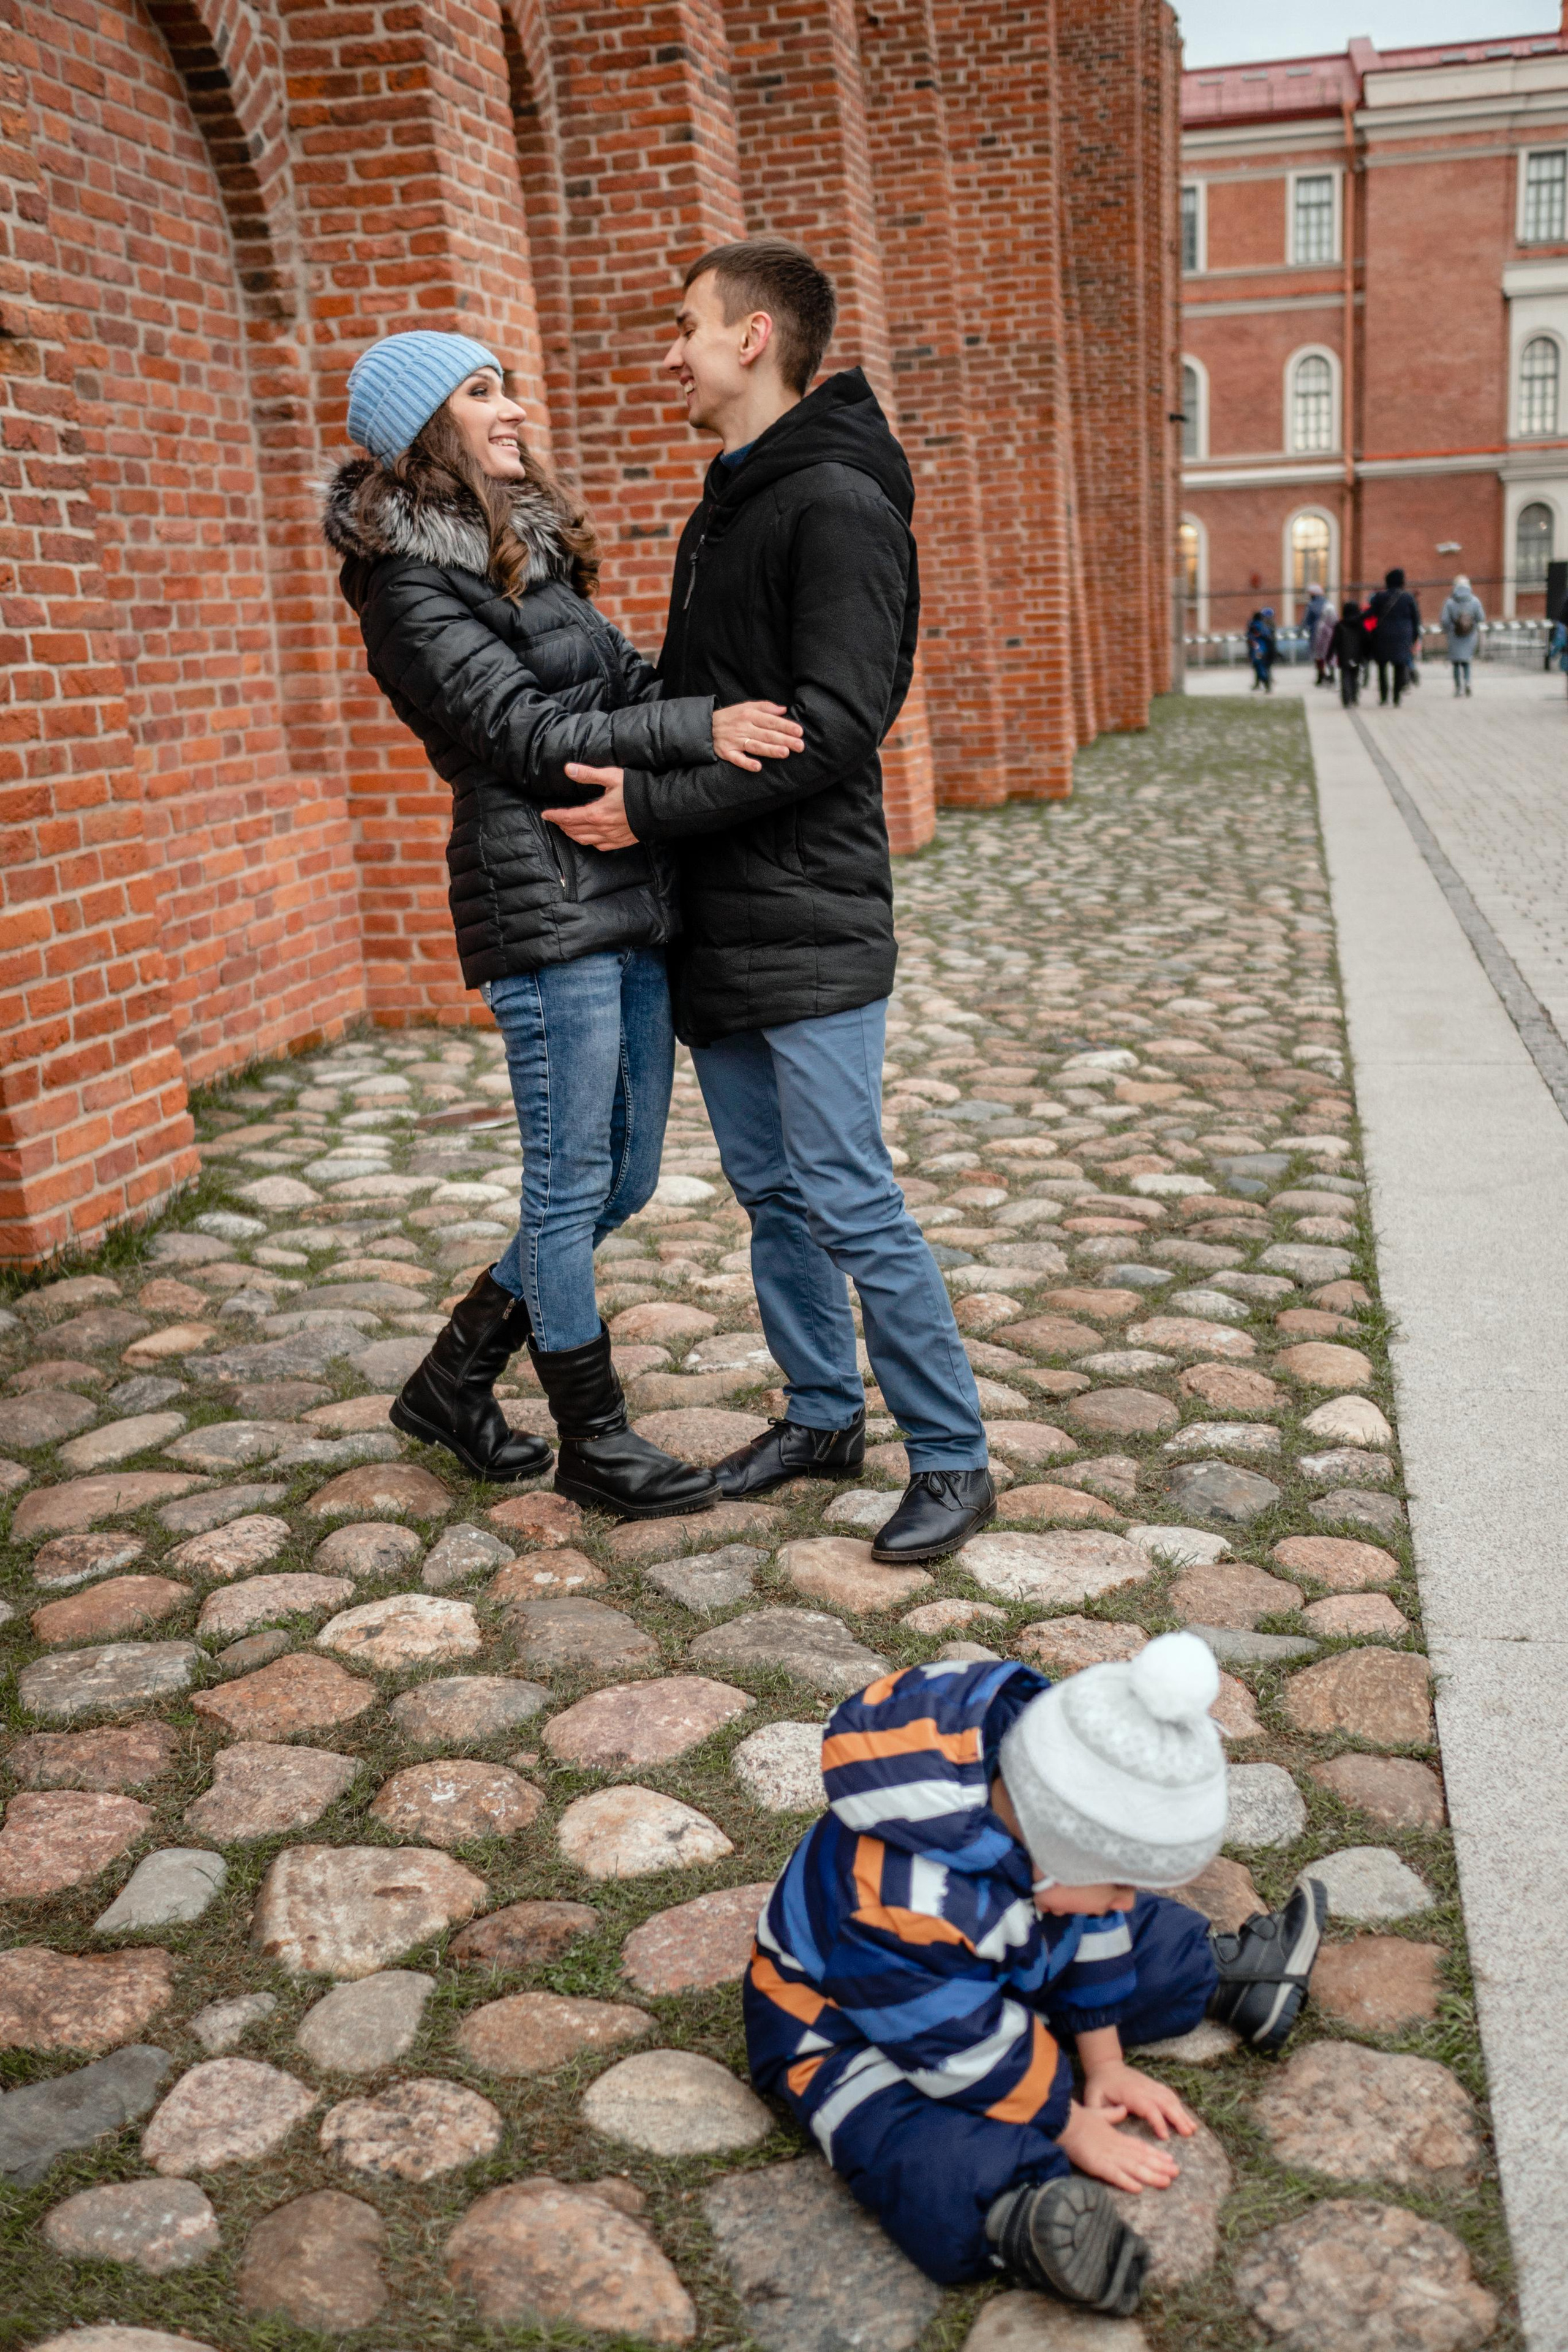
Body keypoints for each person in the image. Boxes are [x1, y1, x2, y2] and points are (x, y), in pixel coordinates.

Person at [544, 238, 992, 1566]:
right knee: (771, 1196)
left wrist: (645, 810)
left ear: (753, 338)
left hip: (809, 916)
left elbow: (839, 725)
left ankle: (954, 1453)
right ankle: (816, 1414)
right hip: (720, 917)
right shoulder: (730, 498)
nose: (665, 354)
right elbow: (710, 704)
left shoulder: (837, 500)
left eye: (683, 327)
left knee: (849, 1196)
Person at [325, 328, 804, 1516]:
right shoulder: (403, 582)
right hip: (539, 906)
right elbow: (526, 738)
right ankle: (596, 1443)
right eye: (483, 393)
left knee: (622, 1181)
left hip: (623, 890)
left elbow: (624, 683)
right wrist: (693, 732)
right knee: (566, 1182)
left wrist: (729, 687)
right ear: (426, 425)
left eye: (506, 386)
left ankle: (453, 1377)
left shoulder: (519, 559)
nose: (512, 408)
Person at [744, 1635, 1327, 2314]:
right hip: (848, 2025)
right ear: (1053, 1851)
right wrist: (1067, 2122)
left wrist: (1104, 2063)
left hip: (997, 1947)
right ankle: (1015, 2213)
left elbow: (1094, 1924)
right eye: (1118, 1880)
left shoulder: (1046, 1829)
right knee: (895, 2129)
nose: (1125, 1897)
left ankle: (1231, 1979)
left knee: (1123, 1931)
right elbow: (959, 2049)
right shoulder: (905, 1908)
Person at [1368, 566, 1421, 705]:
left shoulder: (1380, 597)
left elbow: (1370, 614)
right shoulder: (1408, 598)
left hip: (1383, 635)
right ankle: (1397, 697)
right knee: (1400, 666)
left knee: (1382, 667)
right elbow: (1416, 620)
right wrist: (1414, 638)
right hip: (1403, 636)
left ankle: (1384, 696)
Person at [1440, 575, 1483, 696]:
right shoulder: (1475, 601)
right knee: (1466, 661)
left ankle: (1458, 688)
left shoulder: (1449, 602)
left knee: (1456, 663)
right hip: (1470, 635)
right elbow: (1481, 617)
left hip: (1454, 635)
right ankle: (1468, 683)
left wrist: (1448, 629)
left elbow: (1444, 620)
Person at [1333, 597, 1366, 706]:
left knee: (1345, 676)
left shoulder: (1340, 625)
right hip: (1357, 654)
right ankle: (1354, 697)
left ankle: (1346, 699)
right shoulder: (1360, 625)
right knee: (1355, 676)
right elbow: (1366, 639)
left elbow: (1335, 642)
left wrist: (1330, 655)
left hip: (1344, 654)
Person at [1306, 584, 1337, 686]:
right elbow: (1335, 620)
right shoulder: (1329, 605)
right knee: (1330, 655)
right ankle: (1332, 675)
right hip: (1330, 635)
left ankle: (1321, 675)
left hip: (1317, 635)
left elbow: (1307, 621)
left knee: (1318, 656)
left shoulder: (1311, 605)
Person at [1245, 606, 1276, 691]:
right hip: (1264, 650)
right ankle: (1266, 684)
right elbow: (1268, 638)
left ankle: (1265, 682)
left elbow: (1250, 639)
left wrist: (1250, 652)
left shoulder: (1253, 626)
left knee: (1259, 667)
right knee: (1264, 667)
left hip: (1257, 650)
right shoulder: (1264, 626)